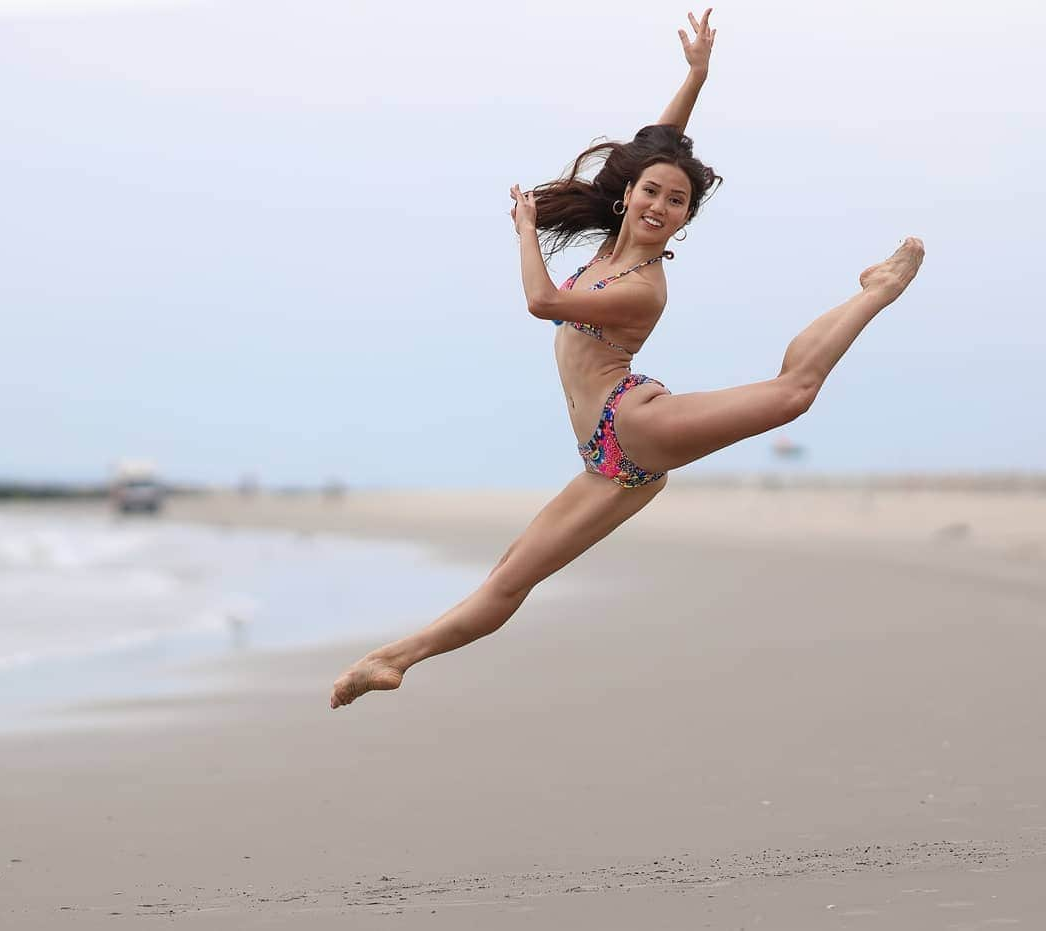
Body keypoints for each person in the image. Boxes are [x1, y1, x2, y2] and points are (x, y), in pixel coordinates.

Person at [330, 9, 924, 709]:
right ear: (628, 196)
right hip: (608, 464)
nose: (662, 204)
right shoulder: (612, 253)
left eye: (678, 202)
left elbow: (543, 303)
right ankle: (392, 659)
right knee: (510, 579)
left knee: (792, 393)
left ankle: (876, 291)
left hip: (632, 421)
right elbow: (660, 143)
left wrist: (525, 228)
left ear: (683, 220)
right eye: (652, 191)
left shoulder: (640, 288)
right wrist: (695, 76)